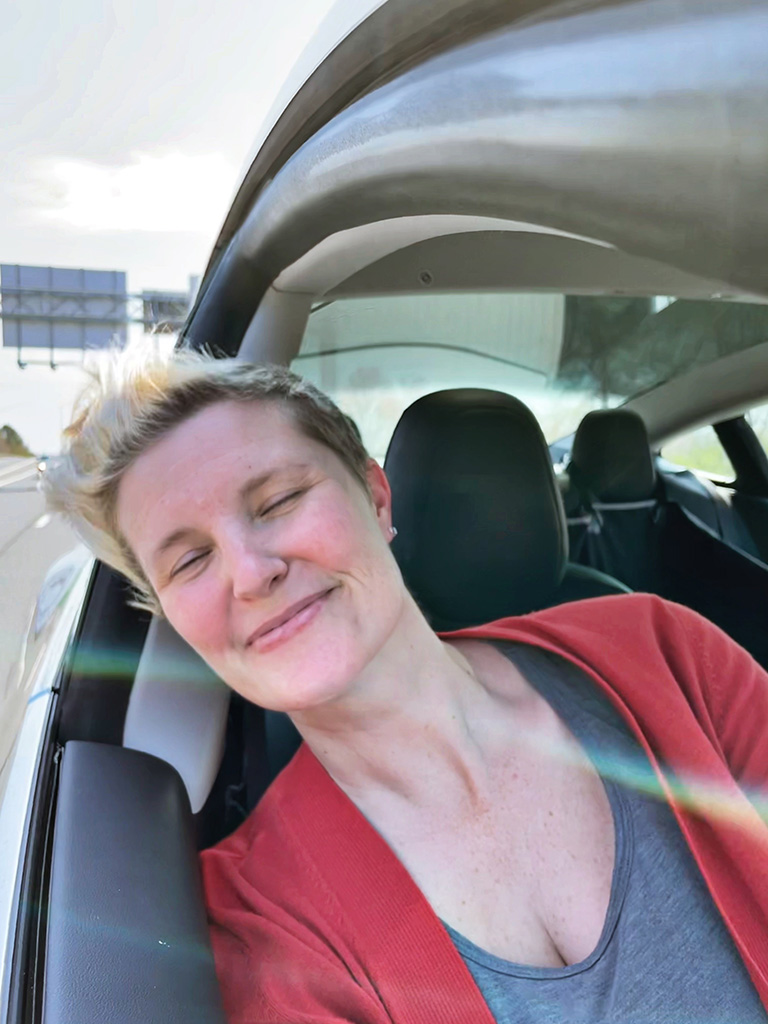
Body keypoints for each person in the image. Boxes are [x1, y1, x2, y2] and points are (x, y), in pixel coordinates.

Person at [46, 345, 768, 1024]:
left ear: (377, 495)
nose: (251, 572)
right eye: (191, 561)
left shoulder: (664, 652)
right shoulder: (251, 925)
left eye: (277, 502)